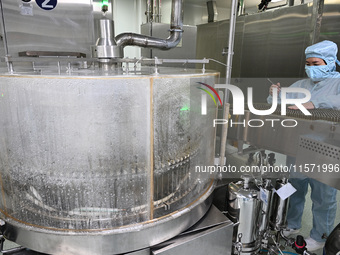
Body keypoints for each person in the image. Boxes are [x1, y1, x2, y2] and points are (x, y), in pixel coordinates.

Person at [267, 40, 340, 251]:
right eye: (308, 63)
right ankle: (291, 223)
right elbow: (282, 105)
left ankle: (320, 235)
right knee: (294, 188)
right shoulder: (301, 85)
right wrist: (274, 94)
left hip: (327, 150)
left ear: (330, 62)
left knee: (323, 196)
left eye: (316, 63)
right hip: (298, 146)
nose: (311, 68)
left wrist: (317, 103)